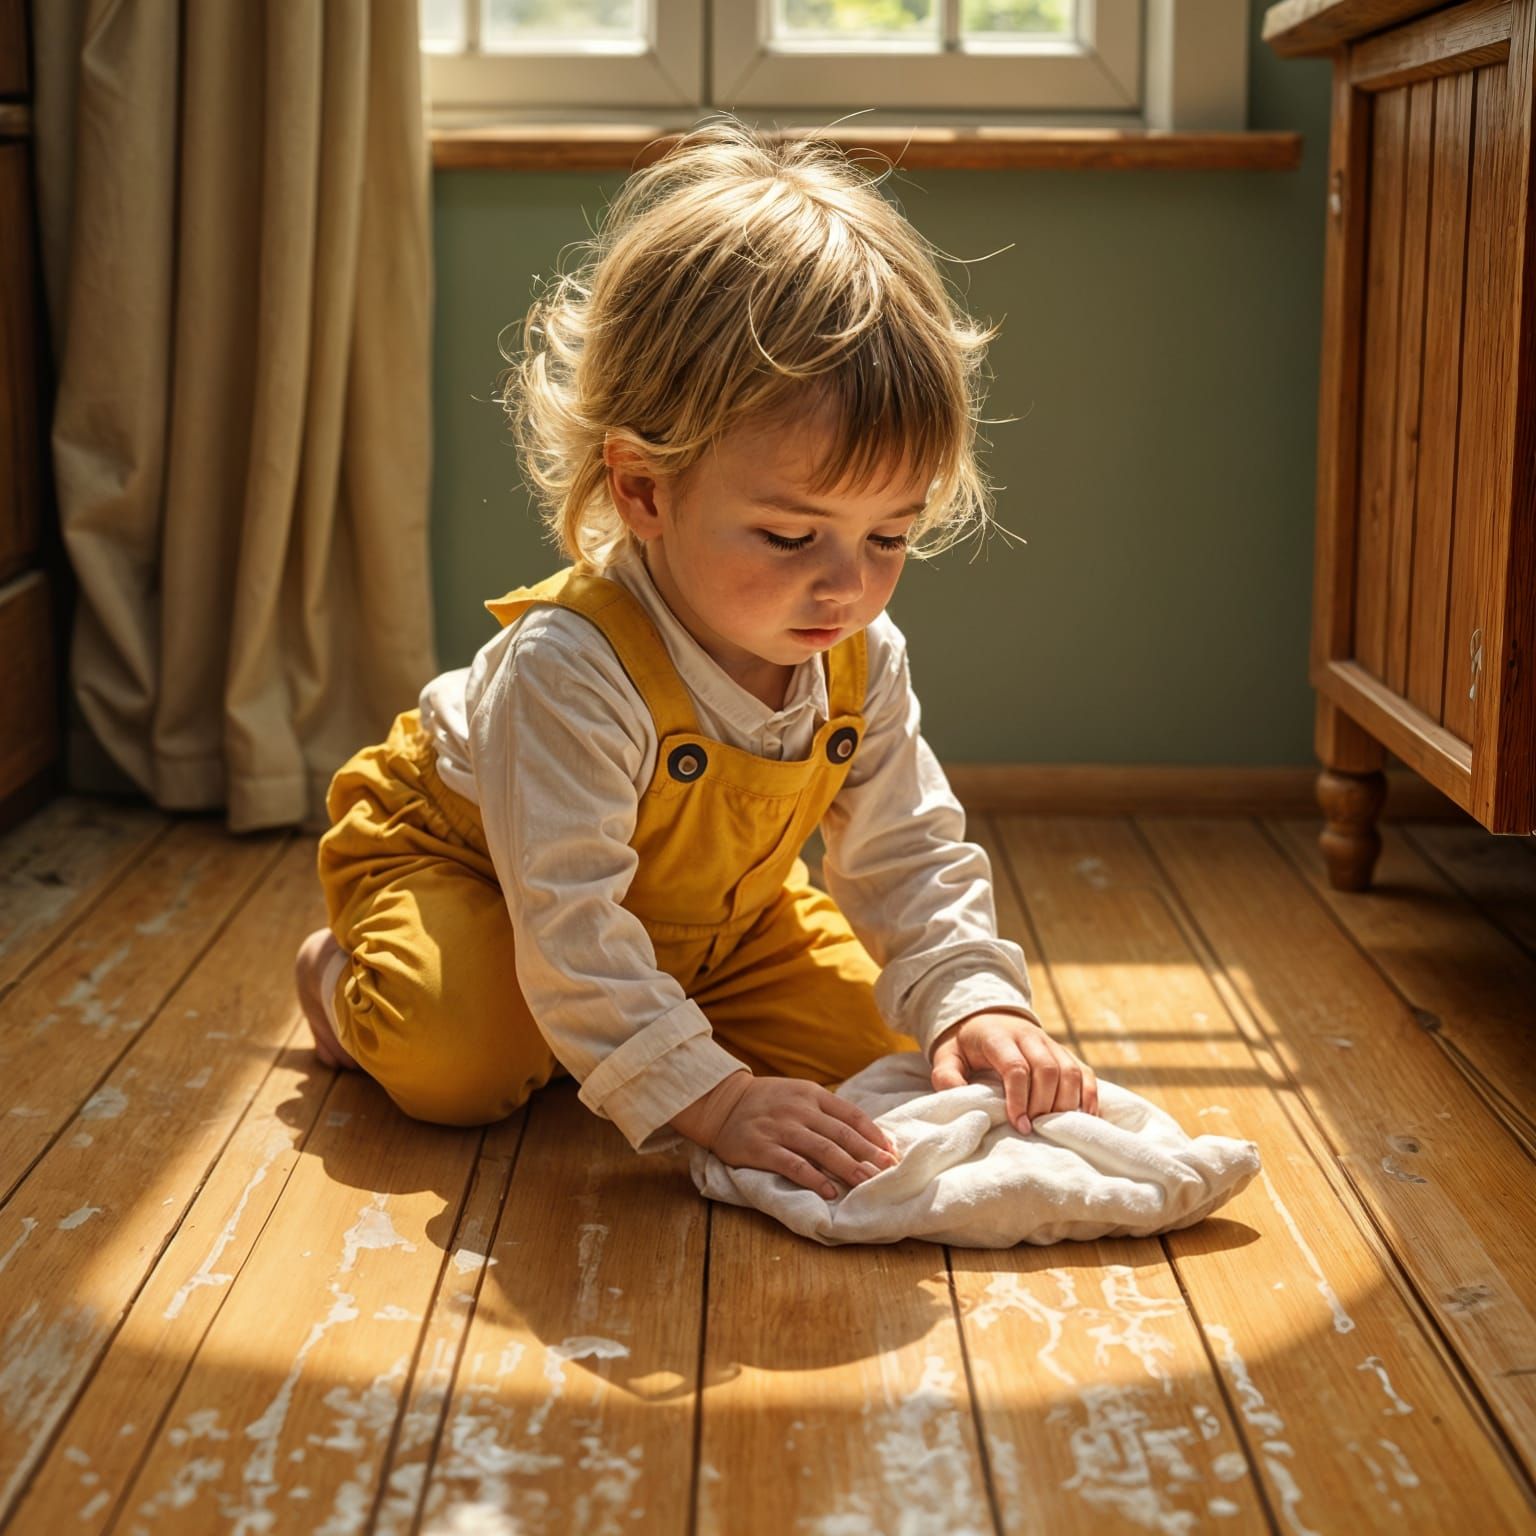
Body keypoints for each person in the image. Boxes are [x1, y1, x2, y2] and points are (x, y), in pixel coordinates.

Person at [295, 114, 1100, 1205]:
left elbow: (907, 849)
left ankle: (636, 1028)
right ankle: (342, 977)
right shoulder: (569, 669)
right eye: (787, 535)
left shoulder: (860, 656)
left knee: (872, 1056)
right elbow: (570, 917)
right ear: (644, 491)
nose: (845, 586)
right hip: (479, 874)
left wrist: (972, 997)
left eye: (889, 537)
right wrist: (715, 1105)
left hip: (714, 924)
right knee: (463, 1061)